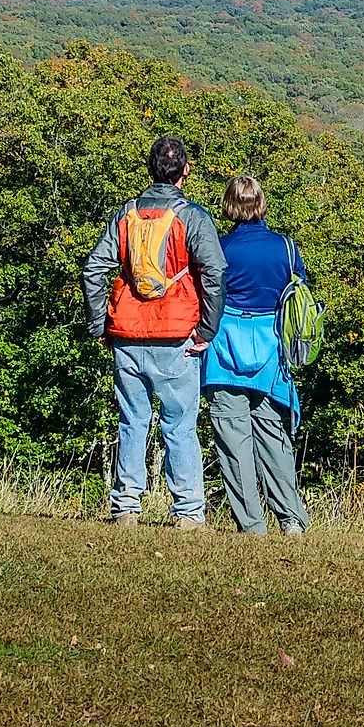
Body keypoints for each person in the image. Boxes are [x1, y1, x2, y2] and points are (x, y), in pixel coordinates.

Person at [81, 136, 225, 528]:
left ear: (149, 169)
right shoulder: (191, 217)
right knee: (179, 424)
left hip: (127, 330)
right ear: (185, 171)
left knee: (132, 419)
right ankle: (188, 512)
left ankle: (126, 505)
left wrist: (99, 323)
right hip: (177, 333)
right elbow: (214, 271)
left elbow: (94, 268)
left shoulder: (126, 215)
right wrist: (207, 329)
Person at [201, 174, 311, 536]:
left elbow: (205, 295)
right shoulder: (286, 248)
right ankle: (291, 519)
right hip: (271, 354)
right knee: (273, 437)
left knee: (234, 443)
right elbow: (300, 294)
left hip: (223, 352)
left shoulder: (219, 248)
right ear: (261, 203)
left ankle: (251, 525)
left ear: (229, 206)